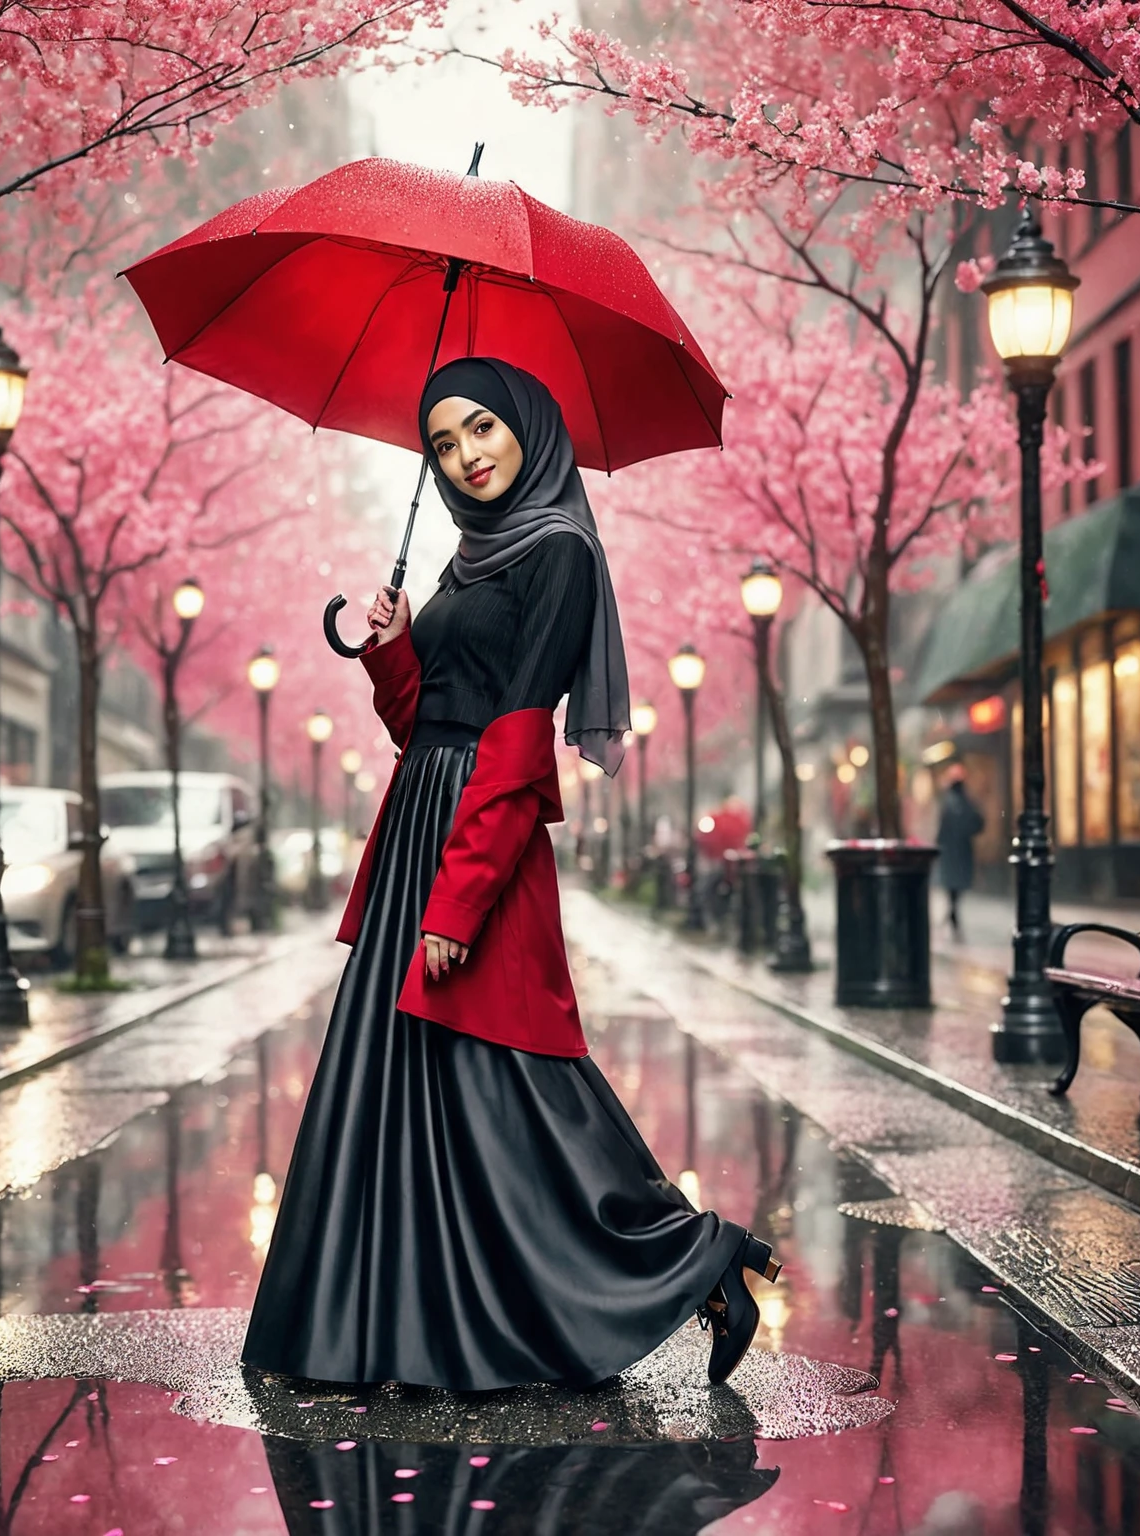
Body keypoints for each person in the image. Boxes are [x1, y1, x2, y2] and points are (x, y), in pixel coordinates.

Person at [242, 358, 779, 1393]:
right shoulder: (471, 557)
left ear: (529, 424)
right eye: (443, 443)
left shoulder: (560, 552)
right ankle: (407, 1323)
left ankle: (693, 1259)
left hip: (480, 841)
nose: (466, 455)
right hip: (424, 830)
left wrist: (460, 898)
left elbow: (520, 739)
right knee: (434, 1088)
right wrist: (393, 652)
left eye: (482, 428)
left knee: (522, 1079)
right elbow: (425, 723)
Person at [936, 764, 985, 937]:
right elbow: (978, 823)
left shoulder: (950, 801)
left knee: (954, 888)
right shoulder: (964, 801)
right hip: (959, 850)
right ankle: (951, 917)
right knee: (955, 888)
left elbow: (943, 830)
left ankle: (950, 916)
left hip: (953, 851)